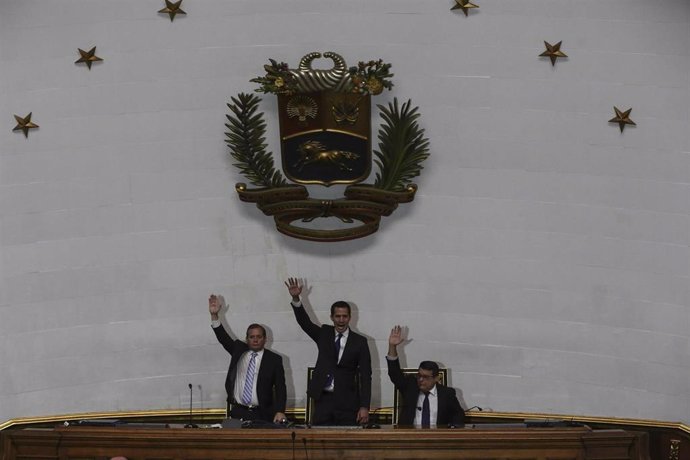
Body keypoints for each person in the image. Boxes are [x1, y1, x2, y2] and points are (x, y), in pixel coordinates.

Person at [285, 278, 372, 426]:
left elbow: (365, 376)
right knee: (320, 442)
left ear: (350, 318)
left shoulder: (360, 341)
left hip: (348, 402)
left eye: (344, 316)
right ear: (332, 317)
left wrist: (364, 406)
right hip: (323, 399)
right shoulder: (324, 334)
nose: (341, 320)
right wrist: (296, 298)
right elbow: (304, 323)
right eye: (337, 316)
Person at [209, 294, 287, 424]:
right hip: (237, 412)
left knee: (260, 444)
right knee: (232, 444)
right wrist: (214, 316)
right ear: (247, 339)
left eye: (259, 336)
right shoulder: (238, 350)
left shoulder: (274, 360)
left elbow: (280, 388)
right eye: (252, 337)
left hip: (263, 414)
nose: (255, 339)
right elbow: (223, 337)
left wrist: (280, 410)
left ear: (265, 339)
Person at [386, 325, 465, 428]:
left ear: (437, 378)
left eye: (426, 377)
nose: (421, 380)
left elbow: (458, 415)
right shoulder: (410, 386)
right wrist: (392, 346)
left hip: (437, 440)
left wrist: (452, 429)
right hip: (410, 439)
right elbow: (394, 373)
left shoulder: (447, 394)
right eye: (419, 376)